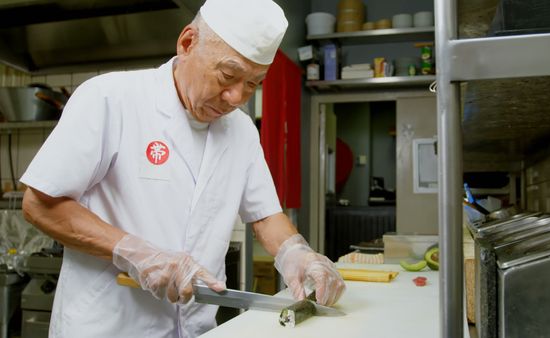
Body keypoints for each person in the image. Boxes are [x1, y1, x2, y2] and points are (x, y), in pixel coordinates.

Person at [19, 0, 345, 337]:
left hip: (195, 328)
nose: (237, 97)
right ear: (187, 43)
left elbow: (264, 215)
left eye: (253, 84)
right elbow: (39, 203)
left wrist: (297, 253)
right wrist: (135, 253)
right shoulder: (111, 99)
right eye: (228, 75)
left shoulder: (242, 130)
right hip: (108, 326)